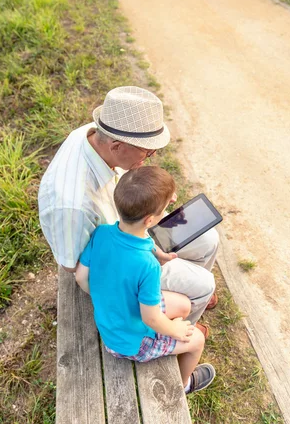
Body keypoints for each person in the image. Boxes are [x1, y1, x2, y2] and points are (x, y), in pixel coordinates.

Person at [38, 86, 219, 328]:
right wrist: (149, 255)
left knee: (208, 239)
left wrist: (157, 197)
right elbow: (73, 266)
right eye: (146, 150)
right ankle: (179, 321)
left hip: (133, 225)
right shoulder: (71, 206)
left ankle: (186, 297)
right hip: (120, 259)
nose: (151, 156)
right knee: (205, 283)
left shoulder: (96, 134)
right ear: (116, 146)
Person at [75, 166, 216, 394]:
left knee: (184, 304)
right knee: (197, 340)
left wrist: (109, 298)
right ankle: (183, 384)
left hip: (112, 320)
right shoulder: (147, 267)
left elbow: (81, 277)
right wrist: (174, 330)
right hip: (129, 343)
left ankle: (175, 338)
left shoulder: (101, 233)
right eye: (166, 209)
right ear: (150, 220)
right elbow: (150, 318)